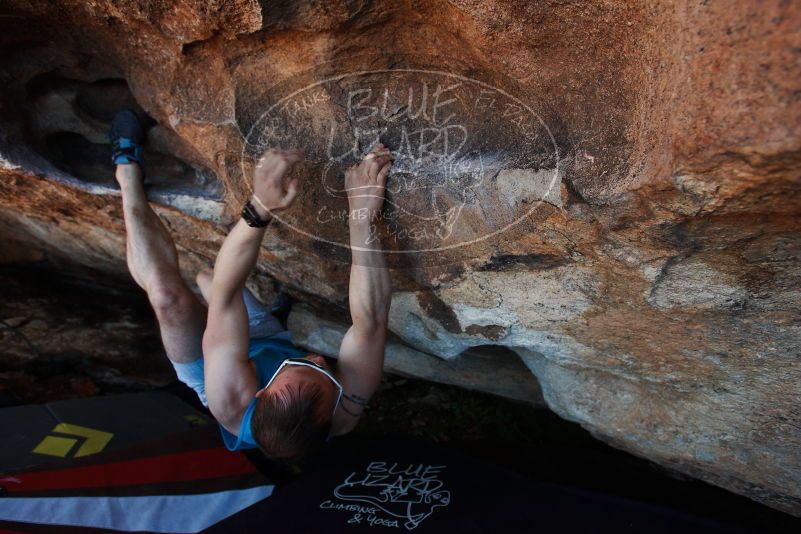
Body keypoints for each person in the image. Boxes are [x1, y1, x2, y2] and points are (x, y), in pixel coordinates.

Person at [109, 109, 392, 461]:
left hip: (212, 365)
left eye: (304, 365)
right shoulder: (344, 409)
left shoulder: (230, 395)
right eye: (326, 371)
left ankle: (126, 174)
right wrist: (362, 214)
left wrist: (260, 208)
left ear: (261, 393)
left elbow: (227, 294)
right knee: (208, 280)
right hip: (267, 345)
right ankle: (273, 324)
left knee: (173, 297)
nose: (319, 357)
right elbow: (372, 321)